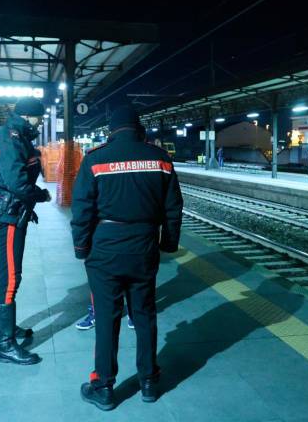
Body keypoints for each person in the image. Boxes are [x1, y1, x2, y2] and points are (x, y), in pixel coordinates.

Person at [71, 105, 183, 410]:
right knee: (144, 315)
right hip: (144, 247)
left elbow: (82, 208)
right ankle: (148, 381)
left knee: (107, 317)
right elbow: (173, 207)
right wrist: (168, 243)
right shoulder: (160, 159)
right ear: (140, 129)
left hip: (105, 249)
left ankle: (104, 387)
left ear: (111, 131)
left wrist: (81, 248)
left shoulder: (95, 159)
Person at [0, 97, 52, 366]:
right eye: (40, 118)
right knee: (9, 277)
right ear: (28, 116)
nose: (41, 122)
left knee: (6, 274)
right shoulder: (12, 138)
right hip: (8, 215)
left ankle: (4, 329)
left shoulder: (11, 134)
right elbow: (17, 182)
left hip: (7, 210)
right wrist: (41, 194)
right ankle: (6, 345)